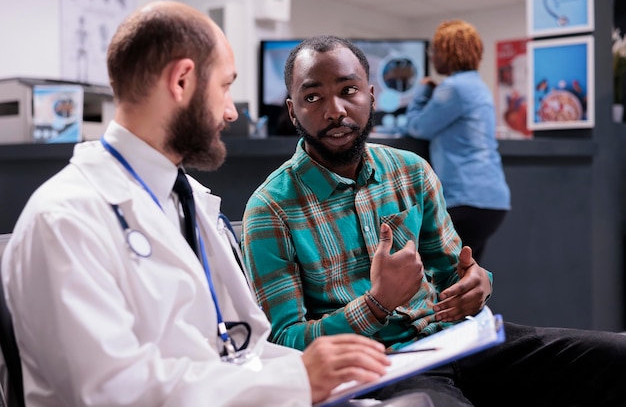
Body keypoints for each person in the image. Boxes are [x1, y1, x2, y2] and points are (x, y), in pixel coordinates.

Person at [0, 2, 407, 407]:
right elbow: (112, 392)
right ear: (182, 81)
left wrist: (334, 383)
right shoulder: (66, 219)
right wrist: (297, 382)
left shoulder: (188, 199)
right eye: (225, 87)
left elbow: (242, 346)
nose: (231, 112)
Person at [240, 35, 626, 407]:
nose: (335, 110)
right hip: (386, 363)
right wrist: (376, 305)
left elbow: (452, 273)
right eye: (313, 97)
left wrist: (477, 283)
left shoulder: (411, 171)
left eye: (348, 90)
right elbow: (283, 344)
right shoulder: (270, 209)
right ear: (292, 110)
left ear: (371, 96)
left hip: (459, 341)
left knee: (616, 354)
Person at [400, 20, 510, 263]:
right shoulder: (476, 86)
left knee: (441, 277)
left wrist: (421, 92)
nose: (432, 56)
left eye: (435, 50)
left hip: (465, 200)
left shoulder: (453, 88)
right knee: (465, 279)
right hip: (492, 201)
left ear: (449, 52)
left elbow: (417, 127)